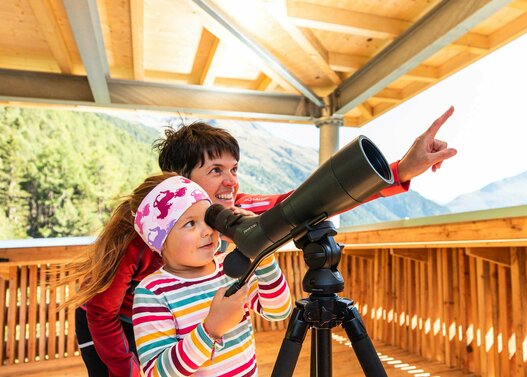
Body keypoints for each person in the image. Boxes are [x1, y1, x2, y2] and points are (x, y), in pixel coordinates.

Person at [67, 106, 457, 376]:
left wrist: (403, 168)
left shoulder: (235, 212)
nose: (231, 181)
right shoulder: (146, 229)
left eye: (234, 169)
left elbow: (308, 202)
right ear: (180, 180)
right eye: (216, 169)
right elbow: (100, 311)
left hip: (200, 332)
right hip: (118, 325)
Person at [131, 174, 291, 376]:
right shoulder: (153, 292)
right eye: (190, 223)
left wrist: (263, 254)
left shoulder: (230, 267)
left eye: (208, 219)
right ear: (160, 239)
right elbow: (156, 372)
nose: (207, 230)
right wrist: (211, 329)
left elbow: (278, 311)